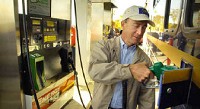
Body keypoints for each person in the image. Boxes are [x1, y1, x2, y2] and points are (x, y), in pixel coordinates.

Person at [88, 5, 155, 109]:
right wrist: (130, 70)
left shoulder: (145, 60)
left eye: (144, 27)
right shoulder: (104, 46)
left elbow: (147, 98)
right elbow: (95, 71)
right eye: (136, 25)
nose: (140, 32)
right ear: (123, 24)